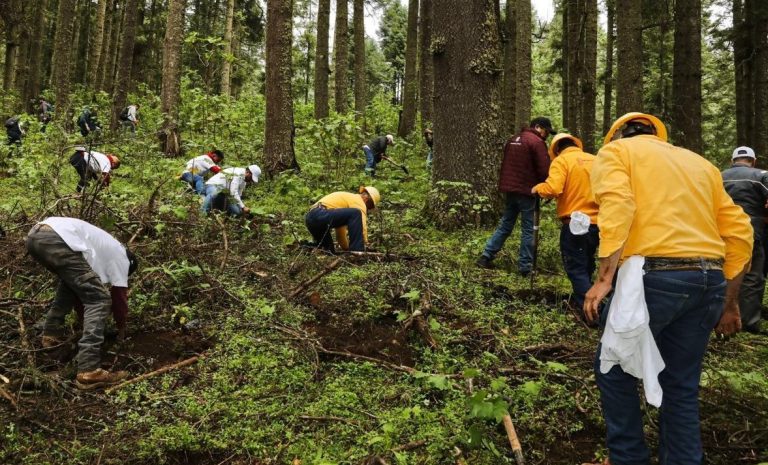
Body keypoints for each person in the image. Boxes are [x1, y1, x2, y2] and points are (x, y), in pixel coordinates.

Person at [582, 113, 752, 465]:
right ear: (659, 136)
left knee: (613, 368)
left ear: (617, 137)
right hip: (708, 282)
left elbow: (618, 205)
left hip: (652, 279)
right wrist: (730, 303)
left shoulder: (615, 154)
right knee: (681, 385)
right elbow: (740, 232)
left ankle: (628, 458)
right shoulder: (701, 165)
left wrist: (603, 280)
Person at [26, 217, 139, 389]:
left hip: (36, 235)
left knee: (69, 285)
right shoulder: (122, 259)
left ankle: (51, 335)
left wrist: (84, 320)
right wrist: (121, 327)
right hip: (57, 237)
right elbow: (119, 298)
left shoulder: (104, 249)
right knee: (100, 299)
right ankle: (89, 369)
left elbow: (81, 294)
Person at [476, 117, 557, 274]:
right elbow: (544, 170)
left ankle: (486, 256)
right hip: (527, 191)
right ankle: (525, 267)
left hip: (510, 190)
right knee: (528, 229)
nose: (546, 135)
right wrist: (546, 187)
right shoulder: (536, 142)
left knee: (506, 225)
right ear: (538, 127)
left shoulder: (513, 139)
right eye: (546, 131)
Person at [532, 133, 599, 312]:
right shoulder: (595, 159)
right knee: (587, 263)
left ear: (556, 150)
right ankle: (593, 301)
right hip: (600, 223)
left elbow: (553, 188)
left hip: (575, 224)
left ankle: (591, 311)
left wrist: (538, 188)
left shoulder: (561, 161)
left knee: (576, 267)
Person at [721, 145, 768, 334]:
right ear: (753, 161)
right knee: (752, 276)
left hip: (719, 233)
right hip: (750, 232)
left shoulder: (718, 175)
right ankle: (748, 323)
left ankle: (716, 317)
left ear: (732, 161)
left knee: (722, 272)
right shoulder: (762, 175)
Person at [305, 186, 380, 253]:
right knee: (356, 213)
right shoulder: (358, 200)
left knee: (329, 252)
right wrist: (366, 243)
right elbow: (362, 225)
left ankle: (306, 246)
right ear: (367, 198)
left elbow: (340, 235)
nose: (367, 208)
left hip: (310, 219)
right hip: (320, 214)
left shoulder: (342, 207)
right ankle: (357, 250)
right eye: (369, 206)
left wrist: (346, 249)